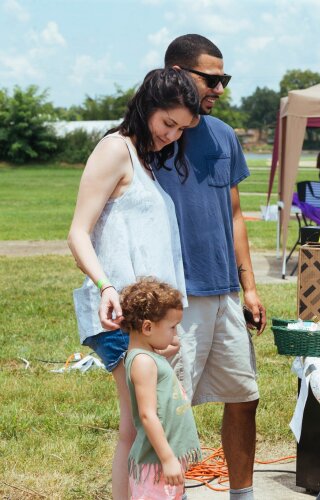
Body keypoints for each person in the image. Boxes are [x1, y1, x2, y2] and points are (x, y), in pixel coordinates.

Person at [68, 68, 199, 500]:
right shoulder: (114, 150)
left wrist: (167, 329)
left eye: (181, 129)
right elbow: (78, 233)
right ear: (147, 108)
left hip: (147, 322)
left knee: (145, 422)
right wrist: (106, 285)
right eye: (168, 123)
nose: (172, 135)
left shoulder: (145, 161)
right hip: (121, 316)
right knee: (138, 424)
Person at [156, 34, 266, 500]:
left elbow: (236, 214)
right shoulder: (151, 135)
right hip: (175, 295)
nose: (220, 87)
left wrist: (250, 286)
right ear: (177, 74)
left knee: (244, 396)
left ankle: (242, 495)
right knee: (167, 407)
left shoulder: (222, 134)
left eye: (225, 78)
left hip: (223, 291)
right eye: (212, 78)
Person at [121, 278, 201, 500]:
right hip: (157, 463)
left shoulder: (147, 356)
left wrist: (166, 348)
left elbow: (155, 363)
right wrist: (167, 459)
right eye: (172, 327)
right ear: (147, 327)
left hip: (163, 460)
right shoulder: (143, 362)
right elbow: (147, 415)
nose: (175, 334)